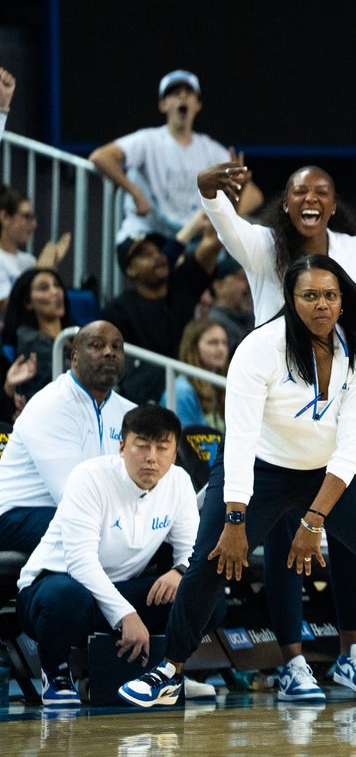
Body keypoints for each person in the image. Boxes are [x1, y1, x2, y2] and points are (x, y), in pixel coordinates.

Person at [117, 255, 356, 715]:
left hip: (334, 469)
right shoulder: (259, 348)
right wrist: (236, 519)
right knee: (212, 560)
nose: (320, 304)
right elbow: (240, 441)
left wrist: (314, 520)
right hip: (262, 466)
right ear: (291, 299)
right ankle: (169, 671)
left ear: (342, 301)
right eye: (309, 295)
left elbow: (352, 446)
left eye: (329, 295)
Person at [197, 161, 356, 699]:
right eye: (299, 191)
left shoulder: (353, 251)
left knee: (353, 538)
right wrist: (212, 191)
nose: (310, 198)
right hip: (276, 414)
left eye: (322, 191)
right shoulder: (264, 246)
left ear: (335, 204)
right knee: (285, 540)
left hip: (340, 409)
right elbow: (223, 222)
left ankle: (354, 654)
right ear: (285, 203)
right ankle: (292, 661)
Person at [15, 406, 213, 706]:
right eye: (142, 445)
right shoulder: (90, 476)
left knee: (205, 596)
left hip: (119, 590)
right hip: (53, 586)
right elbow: (80, 561)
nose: (151, 457)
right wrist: (125, 615)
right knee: (67, 597)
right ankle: (55, 672)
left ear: (174, 454)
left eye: (162, 448)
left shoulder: (179, 481)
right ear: (122, 446)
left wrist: (180, 571)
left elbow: (191, 551)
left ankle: (168, 671)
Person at [0, 320, 135, 553]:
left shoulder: (130, 413)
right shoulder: (51, 404)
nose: (109, 353)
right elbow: (71, 496)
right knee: (89, 532)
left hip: (84, 511)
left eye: (117, 347)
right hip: (17, 513)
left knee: (161, 537)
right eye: (97, 345)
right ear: (74, 358)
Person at [89, 70, 263, 245]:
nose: (182, 97)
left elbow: (253, 194)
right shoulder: (147, 140)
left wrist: (219, 219)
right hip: (150, 235)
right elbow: (100, 156)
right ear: (163, 104)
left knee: (238, 259)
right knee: (152, 260)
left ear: (198, 104)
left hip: (192, 240)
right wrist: (136, 193)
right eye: (174, 93)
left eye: (188, 93)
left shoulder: (211, 150)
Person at [101, 230, 221, 404]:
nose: (157, 257)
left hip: (193, 389)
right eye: (145, 255)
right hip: (146, 399)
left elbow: (212, 243)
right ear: (131, 270)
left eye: (159, 251)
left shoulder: (183, 283)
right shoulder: (117, 311)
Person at [1, 268, 74, 399]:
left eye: (57, 285)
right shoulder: (30, 342)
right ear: (28, 302)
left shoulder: (75, 333)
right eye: (44, 288)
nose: (55, 292)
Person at [0, 186, 71, 314]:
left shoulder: (29, 260)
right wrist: (40, 271)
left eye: (34, 218)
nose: (33, 224)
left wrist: (50, 267)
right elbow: (6, 307)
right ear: (5, 217)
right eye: (27, 216)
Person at [163, 318, 228, 430]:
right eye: (213, 342)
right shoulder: (182, 391)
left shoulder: (220, 384)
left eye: (224, 342)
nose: (221, 349)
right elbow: (183, 442)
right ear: (194, 347)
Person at [207, 262, 253, 354]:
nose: (248, 285)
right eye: (241, 278)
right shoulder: (215, 321)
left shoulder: (251, 317)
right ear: (219, 286)